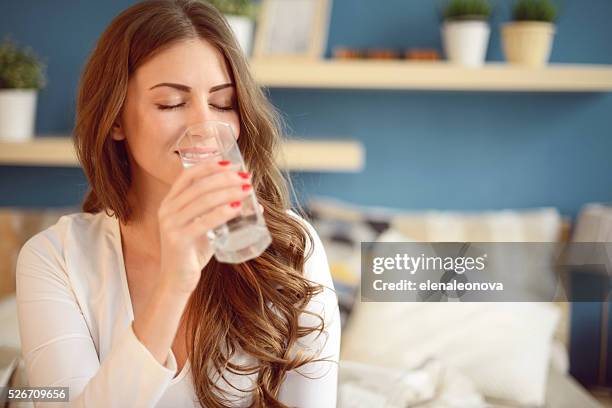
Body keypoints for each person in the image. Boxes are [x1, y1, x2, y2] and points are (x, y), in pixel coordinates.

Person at [15, 1, 340, 406]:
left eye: (223, 104)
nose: (205, 125)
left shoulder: (290, 249)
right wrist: (174, 283)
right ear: (115, 119)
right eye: (171, 103)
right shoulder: (55, 258)